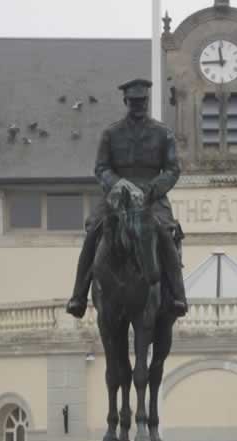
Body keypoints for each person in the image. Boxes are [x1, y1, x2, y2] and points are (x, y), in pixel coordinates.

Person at [65, 78, 188, 318]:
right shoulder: (111, 133)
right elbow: (101, 168)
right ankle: (78, 296)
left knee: (165, 234)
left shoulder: (163, 133)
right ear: (126, 102)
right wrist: (119, 185)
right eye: (134, 102)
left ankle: (177, 295)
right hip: (116, 196)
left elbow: (172, 170)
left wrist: (151, 189)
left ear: (147, 101)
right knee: (93, 232)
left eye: (142, 101)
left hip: (152, 198)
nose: (138, 106)